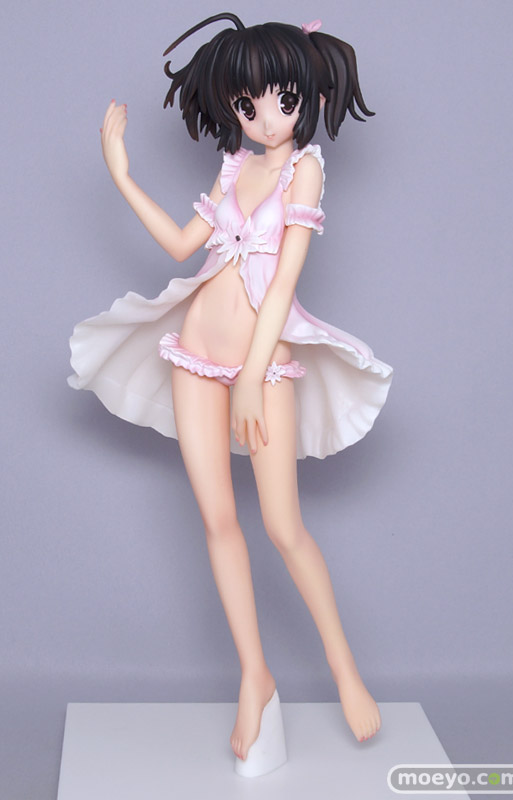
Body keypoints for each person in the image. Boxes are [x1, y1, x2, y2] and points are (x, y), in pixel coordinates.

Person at [68, 13, 393, 771]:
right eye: (249, 105)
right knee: (217, 521)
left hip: (260, 364)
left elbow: (282, 284)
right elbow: (184, 247)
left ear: (308, 95)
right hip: (194, 352)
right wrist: (121, 176)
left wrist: (251, 374)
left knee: (282, 526)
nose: (265, 118)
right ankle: (256, 675)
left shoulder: (303, 170)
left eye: (282, 101)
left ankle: (345, 671)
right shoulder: (230, 167)